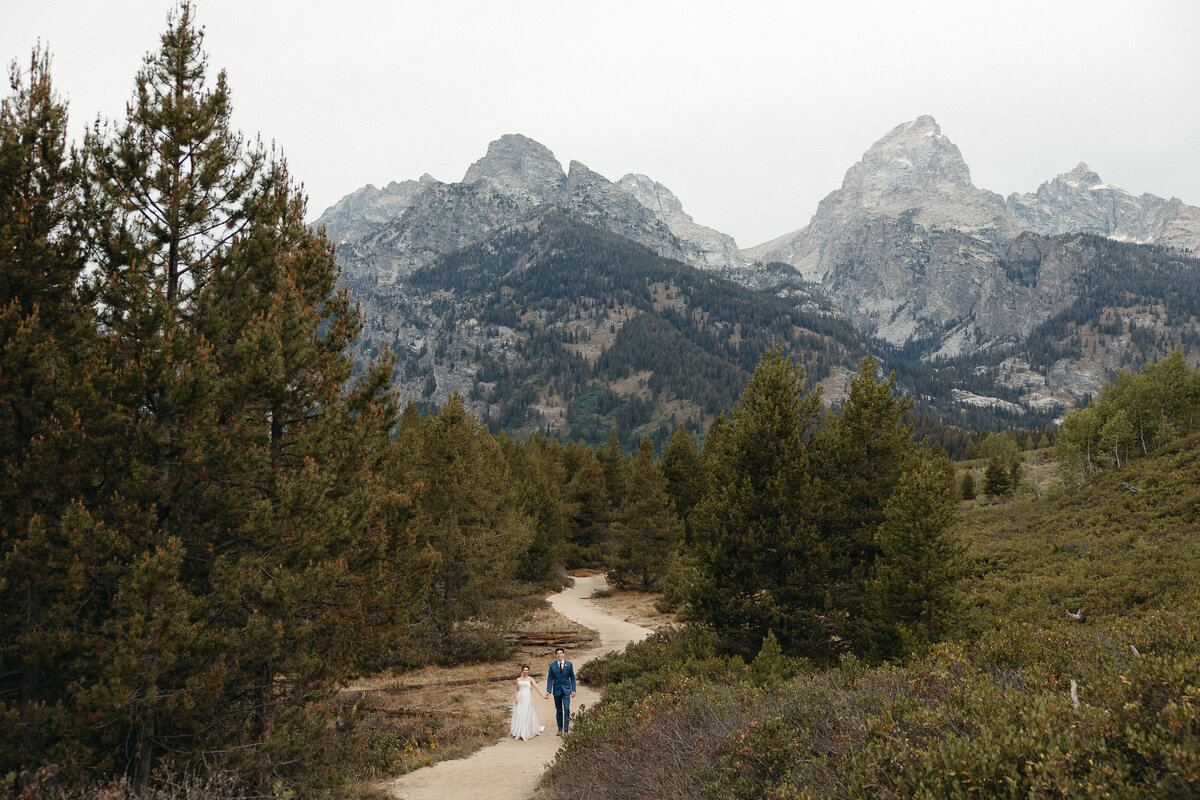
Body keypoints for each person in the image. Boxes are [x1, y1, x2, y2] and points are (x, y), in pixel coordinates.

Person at [545, 646, 576, 735]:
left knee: (566, 709)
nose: (559, 654)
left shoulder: (569, 664)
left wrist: (573, 690)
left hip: (566, 690)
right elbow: (550, 679)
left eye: (561, 653)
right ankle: (560, 728)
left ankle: (566, 730)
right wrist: (548, 690)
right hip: (557, 690)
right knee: (559, 710)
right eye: (558, 653)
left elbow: (572, 678)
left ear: (563, 654)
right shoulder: (552, 665)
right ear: (556, 655)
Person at [509, 664, 545, 741]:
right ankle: (519, 731)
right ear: (522, 671)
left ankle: (525, 732)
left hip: (527, 698)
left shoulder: (530, 679)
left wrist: (543, 695)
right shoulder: (518, 679)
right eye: (524, 670)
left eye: (526, 670)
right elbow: (516, 690)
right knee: (519, 713)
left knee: (526, 713)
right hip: (520, 697)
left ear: (528, 671)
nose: (525, 671)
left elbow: (536, 687)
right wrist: (516, 698)